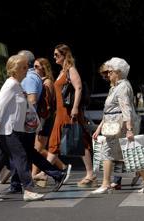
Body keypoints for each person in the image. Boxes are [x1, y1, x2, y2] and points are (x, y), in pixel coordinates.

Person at [0, 54, 45, 202]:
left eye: (26, 66)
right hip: (8, 131)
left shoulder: (17, 85)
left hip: (11, 130)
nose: (26, 69)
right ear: (14, 69)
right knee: (21, 157)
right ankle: (28, 189)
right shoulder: (11, 84)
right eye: (23, 67)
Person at [7, 50, 69, 194]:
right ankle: (17, 183)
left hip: (25, 123)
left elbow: (32, 100)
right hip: (26, 123)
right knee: (25, 153)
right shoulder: (32, 77)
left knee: (22, 152)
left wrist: (25, 119)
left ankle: (55, 174)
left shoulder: (28, 78)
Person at [91, 57, 144, 194]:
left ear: (118, 72)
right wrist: (99, 127)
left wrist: (129, 129)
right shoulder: (115, 87)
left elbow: (126, 109)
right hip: (112, 124)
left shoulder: (122, 87)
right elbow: (108, 111)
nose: (108, 74)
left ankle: (106, 183)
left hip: (119, 125)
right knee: (125, 154)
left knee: (109, 152)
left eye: (110, 72)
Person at [48, 44, 95, 187]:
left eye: (57, 54)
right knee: (55, 142)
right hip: (61, 112)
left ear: (64, 55)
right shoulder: (62, 71)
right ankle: (42, 172)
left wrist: (75, 108)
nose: (54, 57)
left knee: (79, 140)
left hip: (69, 112)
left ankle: (90, 174)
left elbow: (78, 87)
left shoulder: (70, 70)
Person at [32, 57, 67, 179]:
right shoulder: (42, 81)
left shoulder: (46, 82)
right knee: (38, 149)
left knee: (38, 149)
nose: (34, 69)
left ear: (43, 68)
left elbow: (46, 105)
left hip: (44, 118)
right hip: (43, 118)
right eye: (34, 66)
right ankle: (61, 167)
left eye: (37, 66)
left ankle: (61, 168)